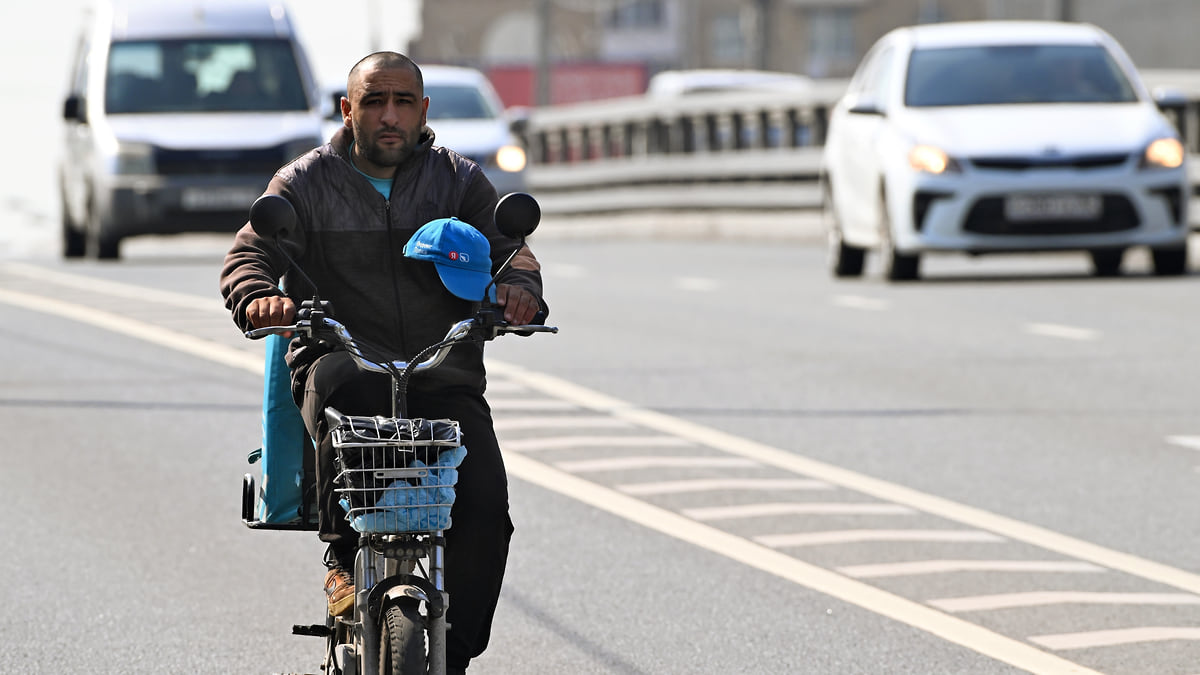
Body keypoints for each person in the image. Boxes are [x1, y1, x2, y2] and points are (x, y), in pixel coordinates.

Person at [219, 51, 546, 674]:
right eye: (373, 102)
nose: (388, 116)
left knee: (485, 512)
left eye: (402, 102)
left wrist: (519, 291)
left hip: (442, 372)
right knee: (341, 404)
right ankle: (341, 558)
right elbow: (248, 256)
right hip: (342, 359)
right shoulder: (304, 182)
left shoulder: (460, 182)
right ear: (349, 110)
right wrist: (258, 297)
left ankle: (454, 652)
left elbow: (512, 253)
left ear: (424, 111)